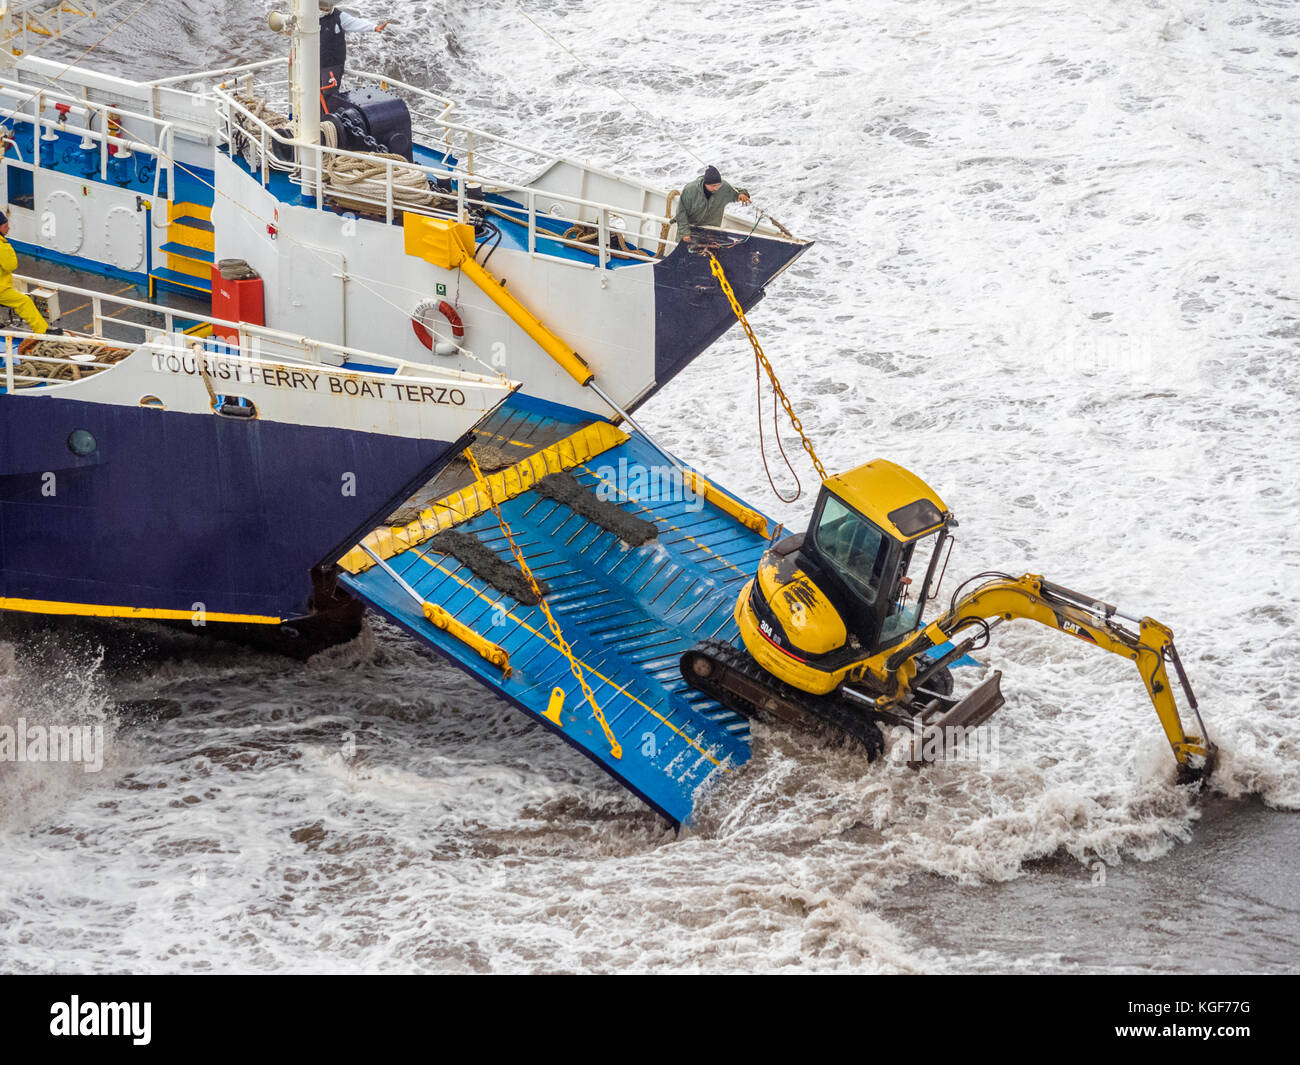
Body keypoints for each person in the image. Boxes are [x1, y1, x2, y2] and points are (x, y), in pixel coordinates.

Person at [319, 1, 392, 107]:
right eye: (323, 9)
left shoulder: (338, 17)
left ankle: (327, 120)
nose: (326, 10)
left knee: (329, 96)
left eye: (328, 8)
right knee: (314, 93)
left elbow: (355, 23)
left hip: (332, 65)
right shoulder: (311, 18)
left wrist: (374, 27)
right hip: (316, 64)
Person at [0, 211, 59, 336]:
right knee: (24, 301)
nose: (8, 228)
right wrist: (6, 246)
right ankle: (42, 331)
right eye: (5, 226)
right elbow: (11, 266)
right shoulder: (1, 245)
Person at [673, 165, 752, 243]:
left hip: (710, 232)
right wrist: (684, 233)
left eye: (718, 185)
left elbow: (739, 192)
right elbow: (681, 212)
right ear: (705, 183)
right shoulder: (690, 190)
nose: (716, 188)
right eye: (713, 186)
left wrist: (742, 194)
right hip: (690, 229)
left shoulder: (724, 187)